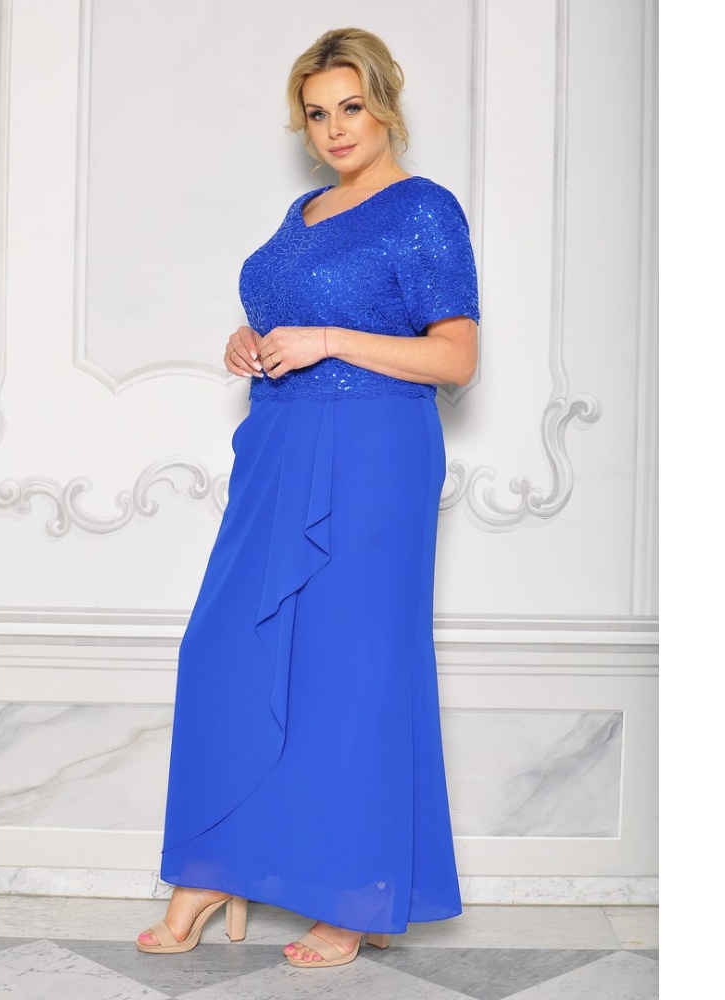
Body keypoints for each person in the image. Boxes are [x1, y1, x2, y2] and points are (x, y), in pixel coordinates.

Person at [136, 25, 480, 969]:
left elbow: (456, 357)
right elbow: (290, 312)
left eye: (351, 107)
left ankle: (352, 891)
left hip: (374, 450)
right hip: (279, 443)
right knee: (225, 644)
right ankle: (214, 867)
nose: (335, 128)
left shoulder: (424, 209)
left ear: (385, 105)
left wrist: (329, 340)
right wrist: (249, 340)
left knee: (353, 666)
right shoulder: (304, 212)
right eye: (318, 113)